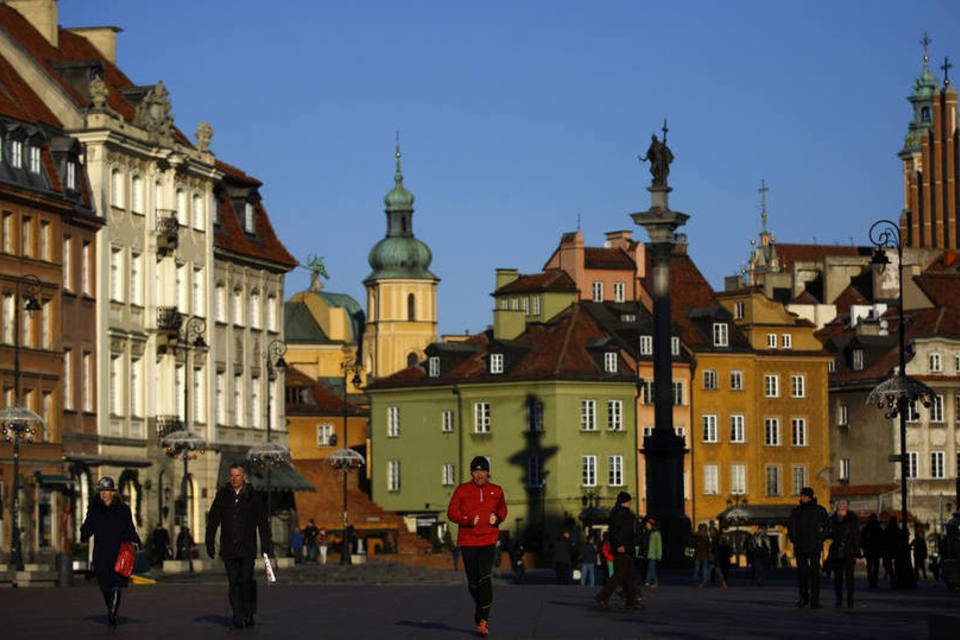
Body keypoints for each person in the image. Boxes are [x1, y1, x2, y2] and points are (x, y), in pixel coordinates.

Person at [205, 463, 271, 629]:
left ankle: (249, 612)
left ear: (244, 477)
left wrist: (265, 546)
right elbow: (213, 519)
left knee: (246, 580)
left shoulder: (253, 496)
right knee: (233, 582)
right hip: (229, 548)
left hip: (247, 548)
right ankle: (237, 614)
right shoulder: (223, 495)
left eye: (238, 476)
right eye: (232, 476)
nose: (234, 479)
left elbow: (263, 523)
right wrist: (209, 541)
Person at [446, 456, 507, 638]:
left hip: (488, 540)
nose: (479, 475)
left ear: (488, 473)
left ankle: (483, 621)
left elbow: (503, 509)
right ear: (471, 473)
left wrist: (497, 517)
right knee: (473, 583)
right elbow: (451, 513)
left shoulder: (496, 490)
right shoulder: (462, 490)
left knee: (484, 577)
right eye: (476, 471)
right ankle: (480, 608)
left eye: (482, 471)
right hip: (468, 541)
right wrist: (468, 520)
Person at [80, 477, 141, 628]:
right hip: (101, 553)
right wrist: (84, 535)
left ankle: (112, 614)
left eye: (107, 490)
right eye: (101, 491)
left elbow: (130, 528)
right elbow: (87, 527)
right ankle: (110, 608)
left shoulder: (123, 510)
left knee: (116, 584)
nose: (104, 494)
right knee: (104, 585)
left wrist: (136, 541)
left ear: (113, 492)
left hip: (118, 552)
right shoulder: (95, 510)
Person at [594, 491, 642, 611]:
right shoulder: (619, 514)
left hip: (627, 548)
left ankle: (632, 602)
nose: (630, 503)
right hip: (622, 549)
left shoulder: (625, 513)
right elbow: (615, 532)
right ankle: (602, 597)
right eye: (628, 501)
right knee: (618, 576)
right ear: (623, 502)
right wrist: (619, 545)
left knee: (629, 577)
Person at [787, 486, 829, 608]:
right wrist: (795, 539)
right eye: (801, 496)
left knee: (815, 574)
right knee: (802, 574)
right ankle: (803, 597)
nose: (802, 498)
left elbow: (826, 526)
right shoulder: (797, 511)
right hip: (800, 546)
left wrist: (820, 538)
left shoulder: (819, 510)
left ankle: (814, 599)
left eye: (804, 496)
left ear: (810, 497)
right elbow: (791, 527)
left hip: (815, 546)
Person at [827, 498, 860, 608]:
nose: (841, 511)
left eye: (843, 509)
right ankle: (839, 600)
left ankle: (850, 601)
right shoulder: (832, 520)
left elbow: (856, 537)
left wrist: (857, 554)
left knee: (849, 579)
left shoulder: (852, 519)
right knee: (838, 579)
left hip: (849, 552)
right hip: (837, 552)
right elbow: (829, 534)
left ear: (846, 509)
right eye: (839, 509)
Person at [860, 514, 883, 588]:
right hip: (873, 550)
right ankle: (873, 582)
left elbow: (861, 540)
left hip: (871, 550)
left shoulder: (867, 529)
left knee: (871, 567)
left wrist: (863, 548)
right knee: (874, 567)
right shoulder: (877, 528)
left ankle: (872, 582)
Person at [692, 523, 711, 587]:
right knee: (703, 568)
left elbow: (693, 545)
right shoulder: (705, 536)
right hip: (703, 554)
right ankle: (703, 581)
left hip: (699, 554)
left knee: (698, 568)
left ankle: (697, 581)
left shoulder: (696, 535)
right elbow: (708, 546)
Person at [645, 519, 662, 588]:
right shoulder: (647, 532)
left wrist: (659, 555)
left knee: (651, 568)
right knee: (650, 568)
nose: (646, 525)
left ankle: (655, 582)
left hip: (653, 553)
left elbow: (659, 545)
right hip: (648, 553)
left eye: (648, 524)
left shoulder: (656, 533)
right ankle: (648, 581)